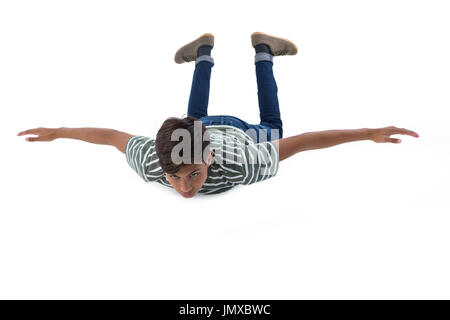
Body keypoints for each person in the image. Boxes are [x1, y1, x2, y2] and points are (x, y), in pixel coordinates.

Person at [17, 32, 420, 198]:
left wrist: (369, 132)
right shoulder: (153, 163)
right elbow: (110, 137)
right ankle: (223, 53)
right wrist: (57, 132)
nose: (183, 188)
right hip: (204, 130)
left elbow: (300, 144)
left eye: (191, 174)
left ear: (208, 158)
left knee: (275, 127)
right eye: (175, 177)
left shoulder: (243, 164)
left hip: (242, 136)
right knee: (192, 118)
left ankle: (257, 52)